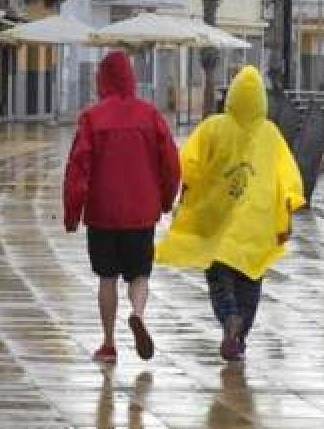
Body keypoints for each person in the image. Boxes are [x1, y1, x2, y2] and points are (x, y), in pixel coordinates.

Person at [156, 66, 305, 362]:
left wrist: (184, 196)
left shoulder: (214, 127)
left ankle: (229, 320)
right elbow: (289, 180)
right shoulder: (271, 135)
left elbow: (188, 164)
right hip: (256, 229)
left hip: (218, 226)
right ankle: (240, 335)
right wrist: (285, 219)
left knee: (219, 281)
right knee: (251, 283)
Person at [64, 52, 180, 364]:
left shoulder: (92, 118)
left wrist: (72, 213)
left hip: (102, 213)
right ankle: (138, 313)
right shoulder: (151, 115)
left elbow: (77, 168)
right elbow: (171, 163)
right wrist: (166, 200)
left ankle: (108, 342)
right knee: (139, 274)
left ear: (102, 79)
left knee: (106, 278)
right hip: (141, 212)